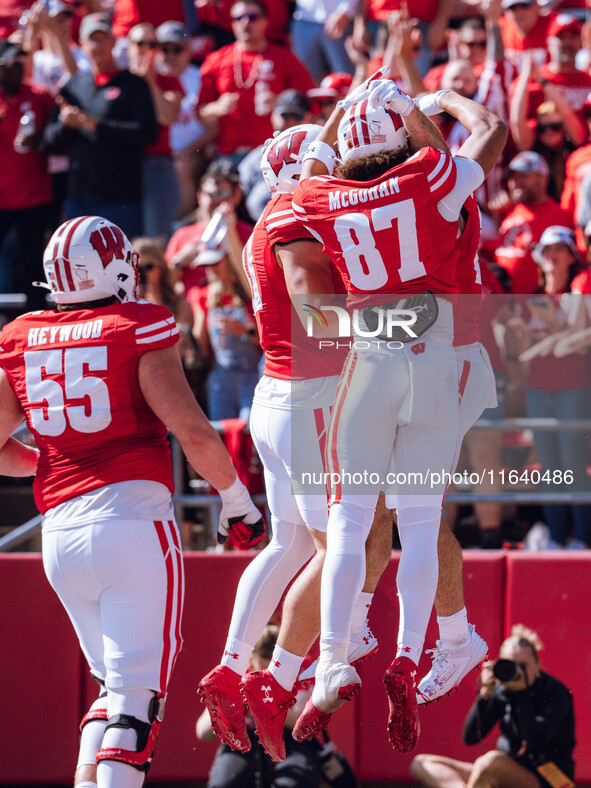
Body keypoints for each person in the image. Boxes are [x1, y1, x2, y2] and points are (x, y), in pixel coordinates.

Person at [0, 215, 264, 788]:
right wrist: (236, 498)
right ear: (116, 268)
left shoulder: (23, 334)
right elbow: (192, 432)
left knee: (112, 688)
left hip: (60, 534)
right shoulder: (135, 324)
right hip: (132, 523)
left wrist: (45, 462)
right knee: (136, 700)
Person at [288, 75, 507, 752]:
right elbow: (489, 135)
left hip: (372, 352)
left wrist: (339, 119)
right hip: (439, 351)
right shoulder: (427, 178)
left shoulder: (321, 196)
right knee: (418, 519)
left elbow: (309, 166)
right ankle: (409, 656)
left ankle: (329, 658)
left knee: (348, 522)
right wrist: (416, 106)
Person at [198, 123, 387, 762]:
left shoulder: (270, 219)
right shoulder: (294, 220)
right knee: (345, 537)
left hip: (279, 394)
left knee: (291, 543)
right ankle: (322, 658)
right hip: (310, 396)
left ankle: (234, 670)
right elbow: (316, 311)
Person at [410, 624, 576, 788]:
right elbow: (471, 737)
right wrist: (485, 695)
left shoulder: (555, 692)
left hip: (548, 779)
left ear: (537, 664)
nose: (517, 671)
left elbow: (535, 742)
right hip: (504, 772)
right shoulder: (501, 689)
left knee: (489, 764)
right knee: (422, 764)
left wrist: (521, 693)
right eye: (510, 664)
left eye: (523, 665)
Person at [43, 12, 158, 239]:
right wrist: (67, 124)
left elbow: (147, 133)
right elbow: (50, 142)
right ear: (83, 45)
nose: (97, 45)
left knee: (120, 269)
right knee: (78, 270)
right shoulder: (73, 87)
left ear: (114, 42)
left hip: (121, 197)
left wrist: (96, 126)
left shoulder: (133, 85)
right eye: (92, 39)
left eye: (102, 38)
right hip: (80, 197)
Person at [513, 226, 591, 549]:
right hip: (538, 389)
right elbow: (519, 350)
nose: (551, 255)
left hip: (573, 387)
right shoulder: (531, 297)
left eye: (558, 249)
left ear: (571, 256)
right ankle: (557, 536)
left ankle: (582, 537)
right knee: (549, 466)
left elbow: (578, 340)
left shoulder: (579, 289)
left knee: (573, 462)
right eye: (546, 250)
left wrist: (544, 342)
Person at [197, 624, 324, 788]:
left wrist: (266, 705)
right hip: (245, 740)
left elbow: (307, 726)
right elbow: (202, 732)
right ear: (250, 659)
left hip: (290, 741)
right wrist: (231, 704)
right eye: (261, 670)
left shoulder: (304, 672)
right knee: (226, 782)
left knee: (295, 783)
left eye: (274, 673)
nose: (266, 678)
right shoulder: (235, 672)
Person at [196, 0, 314, 161]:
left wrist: (281, 103)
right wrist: (217, 108)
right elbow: (200, 112)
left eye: (252, 17)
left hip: (272, 152)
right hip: (229, 153)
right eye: (238, 19)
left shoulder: (284, 58)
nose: (245, 23)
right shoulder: (216, 59)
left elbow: (309, 103)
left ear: (265, 22)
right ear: (231, 24)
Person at [0, 38, 54, 306]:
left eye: (20, 60)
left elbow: (57, 135)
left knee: (32, 263)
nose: (17, 66)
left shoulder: (38, 95)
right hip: (2, 196)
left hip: (33, 195)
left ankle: (33, 323)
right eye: (11, 62)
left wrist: (41, 141)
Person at [127, 21, 183, 242]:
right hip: (123, 167)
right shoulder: (119, 81)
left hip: (157, 166)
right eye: (141, 43)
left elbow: (167, 116)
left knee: (155, 243)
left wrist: (148, 81)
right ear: (129, 47)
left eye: (153, 44)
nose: (147, 50)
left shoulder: (169, 82)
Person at [491, 151, 572, 294]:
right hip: (503, 302)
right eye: (513, 177)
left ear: (543, 178)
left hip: (534, 303)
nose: (516, 182)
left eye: (524, 176)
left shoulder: (556, 216)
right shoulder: (511, 210)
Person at [238, 89, 314, 222]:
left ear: (309, 118)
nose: (290, 121)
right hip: (261, 229)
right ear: (273, 116)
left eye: (297, 116)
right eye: (285, 115)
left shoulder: (319, 149)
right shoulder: (257, 157)